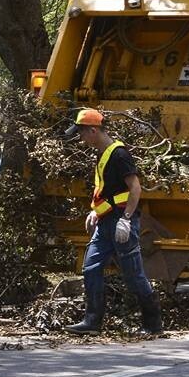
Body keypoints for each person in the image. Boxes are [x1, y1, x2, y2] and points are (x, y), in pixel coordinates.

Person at [63, 109, 162, 336]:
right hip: (106, 221)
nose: (81, 139)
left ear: (93, 130)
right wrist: (95, 212)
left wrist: (126, 219)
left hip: (122, 222)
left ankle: (153, 324)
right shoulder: (103, 153)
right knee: (91, 267)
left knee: (133, 274)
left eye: (82, 133)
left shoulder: (119, 155)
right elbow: (107, 192)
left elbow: (135, 189)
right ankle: (92, 321)